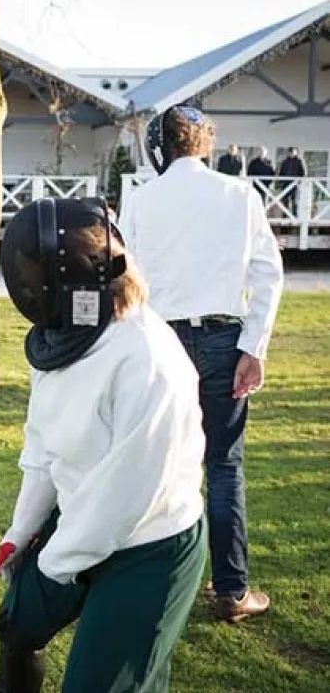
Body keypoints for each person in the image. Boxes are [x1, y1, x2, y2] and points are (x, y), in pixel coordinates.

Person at [0, 197, 207, 693]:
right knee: (16, 628)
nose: (24, 284)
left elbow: (122, 498)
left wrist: (53, 567)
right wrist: (20, 531)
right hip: (83, 522)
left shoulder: (147, 360)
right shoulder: (61, 338)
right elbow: (44, 448)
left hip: (150, 547)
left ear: (72, 277)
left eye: (33, 271)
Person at [120, 105, 284, 622]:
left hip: (160, 340)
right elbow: (267, 274)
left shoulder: (142, 200)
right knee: (222, 465)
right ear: (204, 143)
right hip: (222, 339)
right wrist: (253, 347)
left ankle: (147, 584)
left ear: (160, 146)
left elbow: (126, 280)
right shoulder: (240, 195)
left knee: (158, 463)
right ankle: (232, 591)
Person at [276, 147, 306, 216]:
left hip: (295, 184)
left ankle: (294, 217)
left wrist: (299, 182)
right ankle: (284, 216)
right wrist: (280, 180)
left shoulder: (299, 161)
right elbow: (281, 173)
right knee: (285, 201)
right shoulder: (285, 162)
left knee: (294, 201)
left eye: (292, 152)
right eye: (289, 152)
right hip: (286, 184)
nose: (291, 153)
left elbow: (303, 173)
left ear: (295, 152)